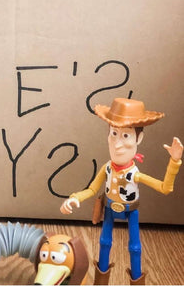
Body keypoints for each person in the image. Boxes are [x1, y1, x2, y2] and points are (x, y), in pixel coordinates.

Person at [59, 98, 183, 285]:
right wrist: (75, 198)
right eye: (114, 134)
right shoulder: (107, 168)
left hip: (131, 210)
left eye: (125, 136)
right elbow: (93, 189)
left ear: (138, 139)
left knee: (134, 247)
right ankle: (100, 282)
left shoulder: (135, 174)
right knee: (104, 242)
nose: (117, 144)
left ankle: (136, 282)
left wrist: (174, 162)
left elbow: (165, 188)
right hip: (109, 208)